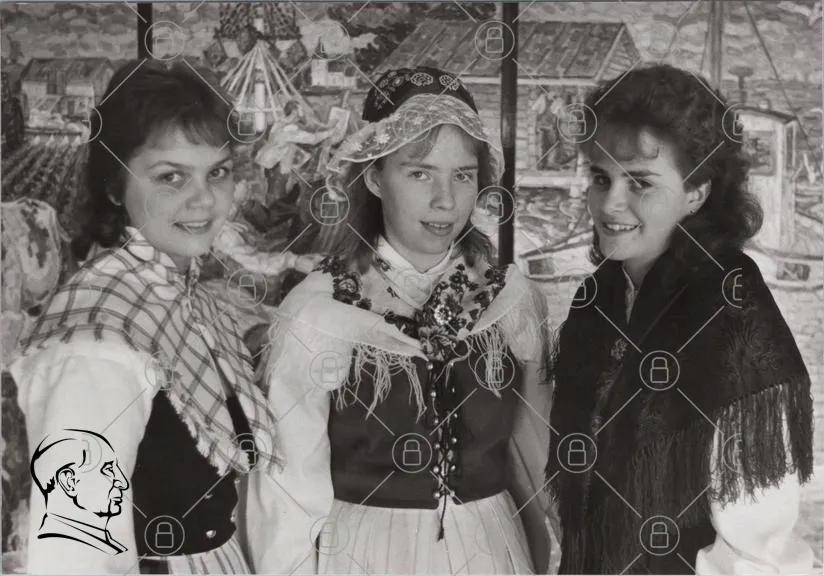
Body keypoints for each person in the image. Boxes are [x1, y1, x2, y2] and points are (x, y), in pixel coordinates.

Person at [246, 66, 555, 574]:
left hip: (490, 547)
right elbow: (288, 484)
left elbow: (538, 448)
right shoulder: (321, 309)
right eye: (419, 173)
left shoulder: (511, 299)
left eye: (463, 175)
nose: (446, 200)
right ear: (374, 177)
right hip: (364, 551)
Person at [9, 60, 279, 574]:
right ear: (114, 186)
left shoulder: (183, 296)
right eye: (170, 176)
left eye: (217, 172)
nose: (204, 199)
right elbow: (75, 551)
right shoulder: (97, 336)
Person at [546, 63, 814, 573]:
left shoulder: (729, 306)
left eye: (640, 182)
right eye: (601, 178)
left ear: (697, 192)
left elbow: (756, 542)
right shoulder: (597, 301)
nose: (610, 203)